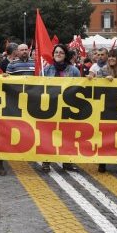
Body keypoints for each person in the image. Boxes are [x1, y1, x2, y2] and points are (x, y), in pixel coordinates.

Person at [42, 44, 80, 172]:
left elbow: (79, 87)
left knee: (67, 135)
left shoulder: (73, 70)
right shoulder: (46, 70)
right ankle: (46, 161)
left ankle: (67, 161)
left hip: (67, 107)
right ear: (53, 54)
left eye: (61, 52)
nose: (58, 54)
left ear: (65, 55)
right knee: (48, 134)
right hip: (51, 106)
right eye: (56, 52)